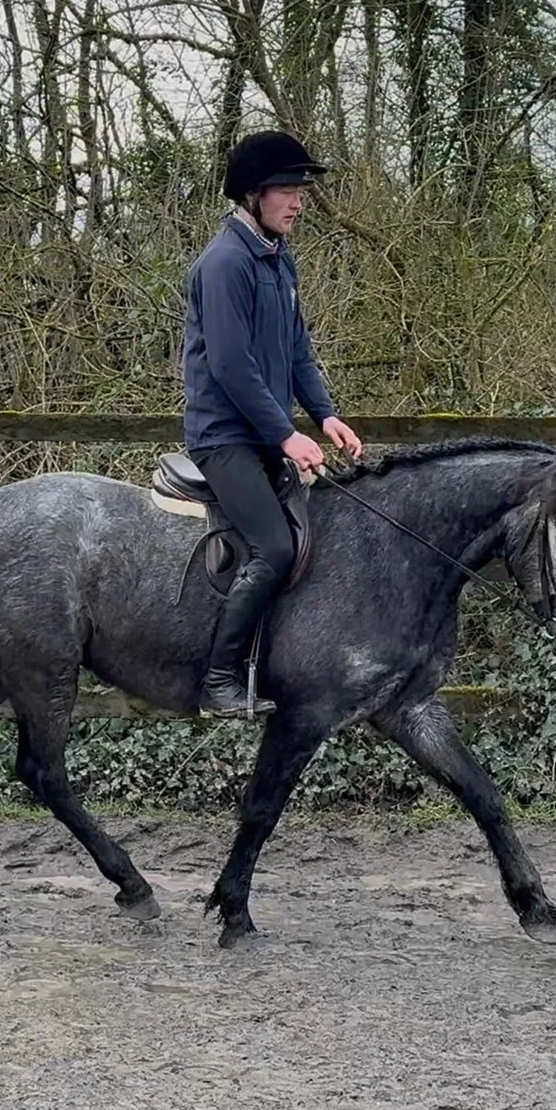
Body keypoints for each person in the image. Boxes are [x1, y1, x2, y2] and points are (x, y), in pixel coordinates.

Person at [181, 129, 363, 719]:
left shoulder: (277, 261)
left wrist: (326, 414)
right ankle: (217, 680)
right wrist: (287, 434)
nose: (299, 200)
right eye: (287, 189)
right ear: (253, 194)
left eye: (301, 190)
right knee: (276, 547)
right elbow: (232, 365)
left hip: (261, 433)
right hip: (224, 438)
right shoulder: (226, 263)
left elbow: (297, 351)